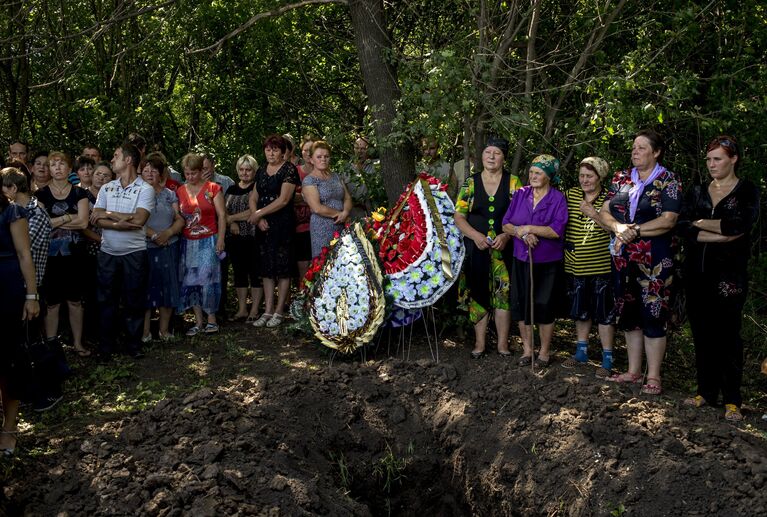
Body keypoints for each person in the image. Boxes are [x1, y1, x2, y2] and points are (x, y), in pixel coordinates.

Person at [679, 136, 759, 421]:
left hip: (729, 277)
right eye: (709, 159)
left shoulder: (746, 190)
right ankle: (706, 391)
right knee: (702, 333)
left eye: (718, 159)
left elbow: (739, 225)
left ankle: (733, 399)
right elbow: (683, 226)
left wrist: (701, 225)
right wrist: (714, 232)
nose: (712, 164)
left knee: (727, 335)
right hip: (696, 274)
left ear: (733, 159)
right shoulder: (698, 190)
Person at [600, 129, 681, 395]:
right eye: (634, 147)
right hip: (624, 258)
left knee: (653, 313)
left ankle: (654, 376)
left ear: (656, 152)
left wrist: (633, 230)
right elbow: (604, 211)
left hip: (655, 258)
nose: (635, 151)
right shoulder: (622, 178)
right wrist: (618, 227)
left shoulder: (668, 180)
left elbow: (669, 219)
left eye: (642, 148)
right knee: (629, 313)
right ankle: (634, 371)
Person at [454, 137, 522, 358]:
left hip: (505, 250)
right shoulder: (470, 183)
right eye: (487, 152)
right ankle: (480, 344)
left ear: (504, 157)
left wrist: (507, 236)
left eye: (497, 153)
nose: (492, 157)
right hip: (478, 249)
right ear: (481, 156)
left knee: (504, 294)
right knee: (478, 292)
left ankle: (503, 345)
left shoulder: (513, 182)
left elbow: (522, 216)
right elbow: (459, 217)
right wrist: (475, 236)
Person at [502, 154, 568, 368]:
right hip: (521, 258)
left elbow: (556, 230)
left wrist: (529, 228)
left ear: (548, 176)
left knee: (544, 305)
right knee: (522, 303)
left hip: (547, 261)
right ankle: (528, 350)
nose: (533, 176)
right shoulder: (521, 194)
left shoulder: (557, 198)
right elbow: (506, 224)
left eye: (538, 172)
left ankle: (544, 353)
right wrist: (521, 235)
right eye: (531, 172)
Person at [91, 143, 155, 358]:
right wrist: (122, 219)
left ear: (128, 160)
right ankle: (106, 347)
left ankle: (133, 347)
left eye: (116, 155)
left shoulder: (145, 189)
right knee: (105, 301)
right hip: (107, 253)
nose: (112, 159)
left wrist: (109, 214)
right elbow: (96, 218)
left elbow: (139, 221)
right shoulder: (107, 188)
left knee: (134, 301)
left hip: (134, 254)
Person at [560, 157, 615, 378]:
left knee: (604, 314)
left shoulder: (610, 197)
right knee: (580, 311)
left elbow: (614, 229)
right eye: (582, 176)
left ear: (600, 177)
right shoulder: (571, 195)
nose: (585, 180)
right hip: (575, 264)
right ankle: (581, 352)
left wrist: (594, 213)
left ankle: (607, 359)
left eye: (589, 176)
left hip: (602, 266)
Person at [35, 151, 90, 357]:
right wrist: (69, 216)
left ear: (69, 169)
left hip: (75, 256)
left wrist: (55, 220)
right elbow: (42, 224)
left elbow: (84, 222)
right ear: (49, 169)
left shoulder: (79, 193)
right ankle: (51, 347)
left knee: (75, 301)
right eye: (53, 164)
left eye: (61, 163)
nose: (57, 167)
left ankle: (78, 343)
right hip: (49, 258)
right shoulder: (40, 195)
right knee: (52, 303)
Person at [0, 178, 40, 455]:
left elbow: (25, 254)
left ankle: (10, 427)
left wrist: (31, 296)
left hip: (6, 288)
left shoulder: (12, 211)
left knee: (9, 361)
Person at [248, 135, 300, 328]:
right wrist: (258, 217)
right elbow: (253, 197)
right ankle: (268, 310)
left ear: (283, 151)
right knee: (267, 268)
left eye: (275, 150)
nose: (271, 153)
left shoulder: (289, 170)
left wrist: (259, 213)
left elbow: (284, 200)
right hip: (263, 225)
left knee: (283, 268)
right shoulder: (261, 170)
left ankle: (279, 311)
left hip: (282, 224)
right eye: (268, 149)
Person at [177, 153, 226, 335]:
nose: (190, 177)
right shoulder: (180, 191)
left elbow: (221, 215)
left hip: (209, 239)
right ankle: (198, 322)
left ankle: (211, 319)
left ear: (201, 171)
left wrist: (221, 239)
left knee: (209, 279)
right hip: (188, 242)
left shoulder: (213, 188)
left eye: (194, 173)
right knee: (191, 280)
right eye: (187, 173)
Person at [141, 152, 184, 341]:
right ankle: (144, 333)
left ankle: (164, 331)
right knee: (146, 289)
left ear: (161, 173)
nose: (149, 173)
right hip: (145, 248)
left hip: (168, 246)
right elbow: (135, 222)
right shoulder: (137, 193)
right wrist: (155, 235)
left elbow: (180, 219)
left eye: (154, 170)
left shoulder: (170, 194)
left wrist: (167, 233)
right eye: (146, 169)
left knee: (168, 288)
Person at [225, 154, 263, 322]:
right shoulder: (231, 189)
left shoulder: (257, 187)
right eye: (241, 169)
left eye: (248, 170)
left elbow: (253, 211)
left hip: (254, 236)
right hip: (234, 238)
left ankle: (254, 310)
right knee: (239, 273)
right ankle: (242, 309)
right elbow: (223, 210)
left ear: (254, 172)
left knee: (255, 273)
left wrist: (232, 218)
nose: (245, 173)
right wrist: (230, 223)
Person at [302, 141, 352, 258]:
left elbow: (347, 197)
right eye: (319, 157)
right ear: (311, 160)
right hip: (322, 228)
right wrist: (340, 214)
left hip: (343, 224)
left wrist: (345, 213)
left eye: (326, 156)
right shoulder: (309, 181)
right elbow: (317, 208)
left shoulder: (336, 176)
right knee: (325, 264)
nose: (323, 159)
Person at [340, 136, 379, 219]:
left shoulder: (376, 166)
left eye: (363, 149)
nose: (359, 151)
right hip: (355, 214)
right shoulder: (346, 170)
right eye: (357, 148)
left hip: (375, 212)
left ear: (369, 150)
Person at [294, 137, 314, 281]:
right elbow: (289, 196)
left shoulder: (323, 171)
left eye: (311, 150)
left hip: (318, 223)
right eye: (305, 150)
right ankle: (303, 299)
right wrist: (310, 196)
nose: (308, 153)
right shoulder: (295, 172)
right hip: (298, 225)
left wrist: (301, 196)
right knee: (303, 267)